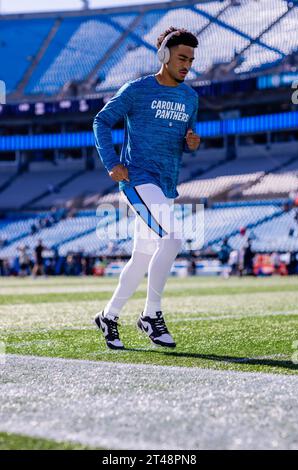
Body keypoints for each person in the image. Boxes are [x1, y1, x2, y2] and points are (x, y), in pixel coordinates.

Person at [93, 27, 201, 349]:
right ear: (164, 56)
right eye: (182, 58)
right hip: (138, 179)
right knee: (172, 239)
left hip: (167, 183)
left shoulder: (190, 97)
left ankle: (108, 317)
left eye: (191, 60)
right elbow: (101, 121)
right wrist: (112, 163)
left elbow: (186, 136)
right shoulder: (136, 90)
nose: (187, 65)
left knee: (142, 257)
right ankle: (150, 315)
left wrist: (191, 142)